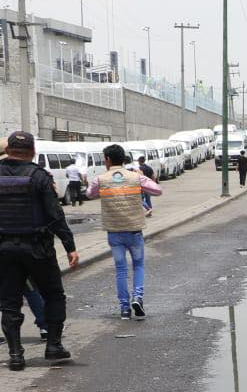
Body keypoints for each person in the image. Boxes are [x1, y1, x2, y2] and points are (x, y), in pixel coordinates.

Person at [0, 130, 78, 369]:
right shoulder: (40, 176)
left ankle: (15, 354)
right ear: (33, 152)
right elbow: (55, 215)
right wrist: (69, 246)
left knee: (10, 301)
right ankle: (53, 345)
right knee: (53, 295)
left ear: (8, 150)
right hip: (37, 249)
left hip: (4, 249)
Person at [87, 144, 161, 320]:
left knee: (120, 269)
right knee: (138, 265)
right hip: (134, 230)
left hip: (114, 232)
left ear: (108, 160)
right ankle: (138, 297)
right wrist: (142, 177)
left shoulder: (101, 179)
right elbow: (157, 190)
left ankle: (125, 309)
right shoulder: (136, 178)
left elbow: (89, 194)